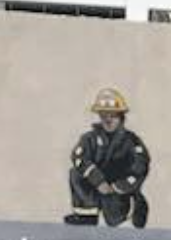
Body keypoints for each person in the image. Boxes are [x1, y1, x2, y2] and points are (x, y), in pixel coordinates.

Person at [64, 88, 151, 228]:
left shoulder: (131, 141)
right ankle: (87, 217)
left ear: (121, 117)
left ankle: (130, 214)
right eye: (104, 115)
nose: (108, 119)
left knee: (116, 221)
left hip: (121, 194)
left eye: (113, 115)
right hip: (99, 188)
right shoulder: (89, 139)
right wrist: (98, 181)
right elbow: (79, 158)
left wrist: (117, 187)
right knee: (75, 173)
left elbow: (140, 167)